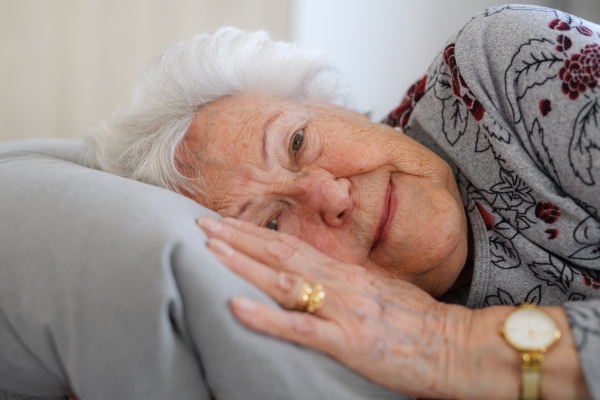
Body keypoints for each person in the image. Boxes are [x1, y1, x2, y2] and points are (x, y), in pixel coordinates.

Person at [86, 5, 600, 399]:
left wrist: (451, 343)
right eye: (271, 227)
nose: (330, 196)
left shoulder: (506, 73)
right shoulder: (336, 348)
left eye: (295, 142)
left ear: (330, 106)